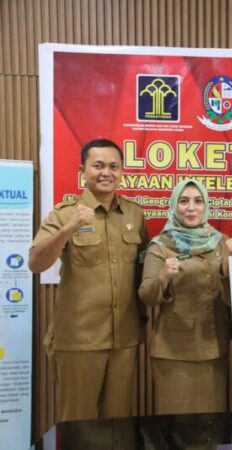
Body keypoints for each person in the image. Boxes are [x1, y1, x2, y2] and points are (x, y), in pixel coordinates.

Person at [29, 138, 148, 421]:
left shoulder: (134, 214)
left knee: (118, 422)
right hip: (79, 340)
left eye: (114, 166)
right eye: (98, 165)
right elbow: (36, 263)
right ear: (83, 171)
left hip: (124, 339)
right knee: (77, 423)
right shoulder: (65, 214)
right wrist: (67, 230)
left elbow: (143, 271)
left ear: (122, 172)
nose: (106, 172)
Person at [138, 179, 232, 414]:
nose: (191, 208)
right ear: (175, 205)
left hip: (214, 348)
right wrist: (163, 277)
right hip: (174, 352)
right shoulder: (160, 245)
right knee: (176, 423)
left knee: (210, 423)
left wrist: (228, 265)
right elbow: (146, 296)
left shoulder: (221, 242)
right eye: (184, 201)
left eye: (198, 201)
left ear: (206, 206)